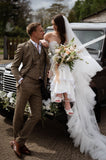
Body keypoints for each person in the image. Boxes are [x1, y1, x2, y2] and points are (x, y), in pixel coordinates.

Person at [44, 14, 106, 160]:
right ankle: (60, 102)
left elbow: (75, 51)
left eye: (55, 24)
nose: (53, 26)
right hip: (52, 67)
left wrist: (66, 57)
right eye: (52, 24)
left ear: (60, 25)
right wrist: (44, 46)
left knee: (75, 92)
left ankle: (67, 106)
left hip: (63, 67)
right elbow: (40, 47)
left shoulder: (67, 37)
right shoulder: (48, 35)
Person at [10, 22, 50, 158]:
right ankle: (20, 142)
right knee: (19, 113)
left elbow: (46, 63)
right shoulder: (23, 47)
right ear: (33, 33)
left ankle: (18, 141)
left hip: (38, 86)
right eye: (40, 31)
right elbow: (14, 66)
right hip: (25, 84)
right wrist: (20, 80)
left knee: (36, 115)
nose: (43, 32)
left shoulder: (44, 47)